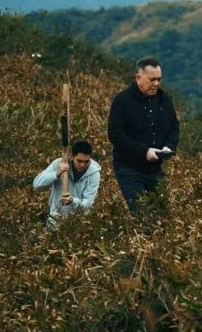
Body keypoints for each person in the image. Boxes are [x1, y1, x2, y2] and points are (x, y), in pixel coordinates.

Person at [107, 57, 180, 213]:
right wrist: (144, 151)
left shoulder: (164, 99)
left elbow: (174, 126)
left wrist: (169, 146)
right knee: (141, 212)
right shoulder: (122, 101)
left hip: (155, 170)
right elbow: (115, 134)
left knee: (162, 215)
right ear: (138, 77)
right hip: (129, 169)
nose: (156, 84)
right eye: (152, 79)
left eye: (159, 79)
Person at [33, 140, 101, 229]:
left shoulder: (94, 174)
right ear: (72, 156)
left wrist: (73, 201)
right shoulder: (58, 163)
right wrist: (56, 173)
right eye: (79, 161)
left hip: (79, 222)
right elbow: (37, 184)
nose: (82, 165)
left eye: (86, 161)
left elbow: (88, 203)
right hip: (55, 217)